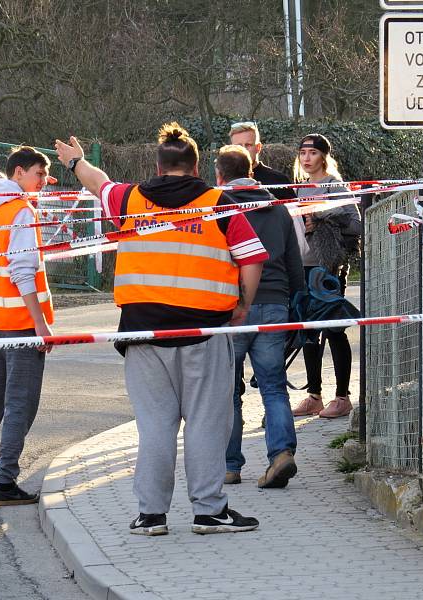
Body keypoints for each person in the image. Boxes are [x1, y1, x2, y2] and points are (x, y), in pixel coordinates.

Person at [55, 123, 268, 536]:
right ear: (196, 165)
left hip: (142, 334)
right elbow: (252, 258)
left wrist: (75, 160)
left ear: (157, 164)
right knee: (207, 423)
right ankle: (209, 512)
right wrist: (243, 305)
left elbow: (98, 182)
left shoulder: (130, 199)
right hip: (204, 331)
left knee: (155, 426)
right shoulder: (218, 203)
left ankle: (151, 515)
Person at [0, 146, 55, 506]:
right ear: (18, 173)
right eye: (38, 174)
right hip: (20, 322)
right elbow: (21, 272)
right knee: (20, 401)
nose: (43, 182)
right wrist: (41, 325)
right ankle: (5, 482)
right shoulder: (20, 211)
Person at [215, 145, 305, 489]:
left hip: (234, 306)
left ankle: (228, 465)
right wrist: (298, 301)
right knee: (273, 386)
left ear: (220, 174)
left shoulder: (218, 204)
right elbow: (294, 261)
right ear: (252, 169)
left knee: (226, 389)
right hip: (275, 304)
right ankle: (281, 454)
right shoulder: (278, 208)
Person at [290, 134, 361, 419]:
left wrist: (321, 217)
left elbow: (355, 223)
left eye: (312, 153)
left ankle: (342, 397)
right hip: (302, 266)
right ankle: (314, 395)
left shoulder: (335, 185)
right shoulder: (297, 189)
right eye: (302, 152)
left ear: (323, 157)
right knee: (307, 331)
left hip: (328, 269)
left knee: (333, 329)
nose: (307, 158)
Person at [228, 121, 297, 202]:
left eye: (248, 145)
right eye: (238, 146)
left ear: (258, 147)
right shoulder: (226, 181)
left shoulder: (278, 181)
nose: (244, 150)